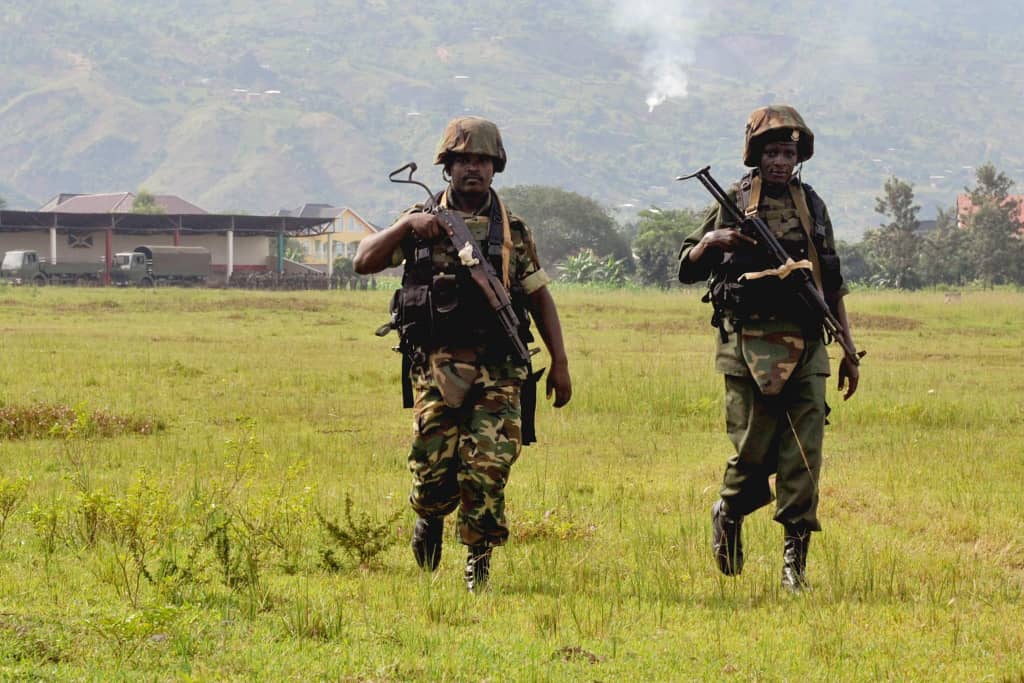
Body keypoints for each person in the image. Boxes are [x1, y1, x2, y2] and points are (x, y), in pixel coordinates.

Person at [354, 116, 572, 592]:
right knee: (432, 469)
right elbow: (363, 261)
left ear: (496, 167)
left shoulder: (512, 231)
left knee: (488, 468)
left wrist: (560, 362)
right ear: (447, 166)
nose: (473, 168)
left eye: (483, 160)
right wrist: (407, 225)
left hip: (500, 367)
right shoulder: (420, 221)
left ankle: (479, 558)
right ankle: (429, 515)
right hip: (437, 365)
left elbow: (539, 296)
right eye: (463, 160)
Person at [677, 105, 860, 592]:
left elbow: (831, 282)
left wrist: (849, 348)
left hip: (807, 343)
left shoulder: (812, 206)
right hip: (746, 343)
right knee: (753, 452)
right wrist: (712, 241)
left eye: (788, 153)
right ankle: (730, 510)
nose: (781, 161)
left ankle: (794, 567)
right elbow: (686, 266)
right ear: (756, 155)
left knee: (804, 454)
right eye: (772, 152)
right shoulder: (733, 200)